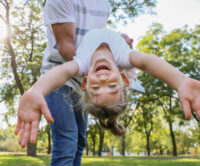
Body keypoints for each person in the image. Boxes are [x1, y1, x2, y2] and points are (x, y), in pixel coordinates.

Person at [16, 27, 200, 146]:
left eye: (95, 89)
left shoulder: (83, 63)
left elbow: (62, 72)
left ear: (86, 83)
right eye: (113, 86)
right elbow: (146, 62)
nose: (103, 81)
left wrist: (37, 90)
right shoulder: (124, 56)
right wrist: (180, 81)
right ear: (123, 79)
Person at [22, 1, 111, 166]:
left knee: (79, 141)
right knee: (66, 143)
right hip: (57, 77)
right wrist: (105, 66)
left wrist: (115, 44)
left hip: (85, 81)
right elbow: (65, 46)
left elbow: (96, 40)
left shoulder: (104, 4)